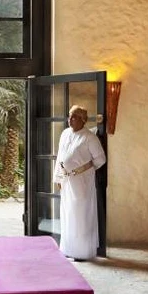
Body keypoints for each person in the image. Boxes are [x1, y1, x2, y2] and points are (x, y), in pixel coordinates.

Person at [54, 105, 107, 261]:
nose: (70, 119)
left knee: (81, 215)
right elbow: (60, 157)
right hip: (66, 181)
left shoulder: (89, 137)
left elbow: (100, 160)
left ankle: (81, 252)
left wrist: (84, 170)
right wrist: (57, 178)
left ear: (83, 120)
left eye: (74, 117)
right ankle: (68, 249)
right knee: (67, 214)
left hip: (82, 183)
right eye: (69, 116)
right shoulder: (65, 134)